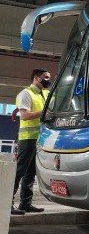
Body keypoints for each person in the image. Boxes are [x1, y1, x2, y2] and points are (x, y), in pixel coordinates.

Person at [11, 68, 51, 215]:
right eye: (45, 77)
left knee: (30, 173)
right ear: (36, 78)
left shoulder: (46, 94)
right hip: (27, 139)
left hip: (41, 139)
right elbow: (25, 116)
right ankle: (7, 203)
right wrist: (45, 112)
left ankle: (25, 203)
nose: (48, 80)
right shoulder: (26, 94)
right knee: (19, 172)